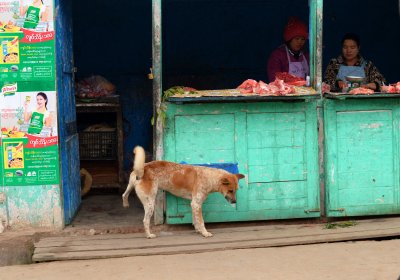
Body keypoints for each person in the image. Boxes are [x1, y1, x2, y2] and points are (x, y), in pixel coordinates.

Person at [267, 17, 310, 82]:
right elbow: (274, 80)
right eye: (297, 39)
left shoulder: (306, 55)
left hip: (305, 91)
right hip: (286, 91)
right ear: (289, 39)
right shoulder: (278, 55)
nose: (300, 42)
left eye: (303, 39)